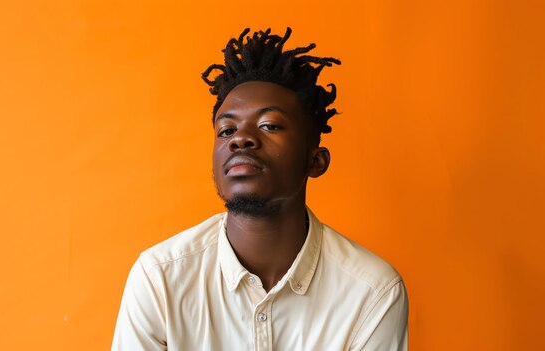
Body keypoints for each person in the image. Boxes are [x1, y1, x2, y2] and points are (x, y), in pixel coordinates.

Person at [111, 28, 408, 351]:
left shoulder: (372, 291)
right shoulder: (159, 279)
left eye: (269, 125)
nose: (240, 139)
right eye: (226, 130)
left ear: (316, 161)